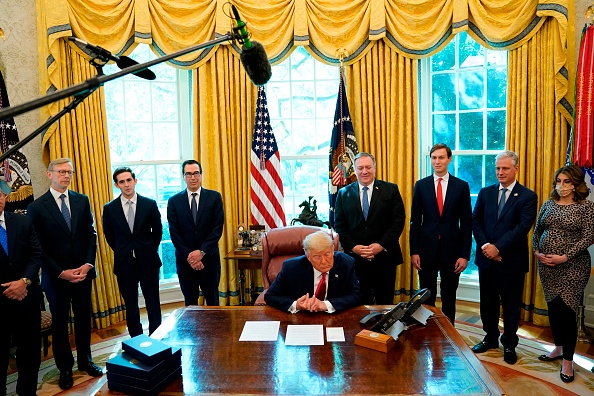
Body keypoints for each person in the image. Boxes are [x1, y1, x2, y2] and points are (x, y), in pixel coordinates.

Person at [27, 158, 103, 390]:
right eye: (61, 172)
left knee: (83, 319)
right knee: (60, 324)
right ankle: (65, 368)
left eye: (69, 172)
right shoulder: (37, 207)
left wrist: (88, 264)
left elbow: (91, 235)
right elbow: (37, 247)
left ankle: (86, 361)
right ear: (50, 175)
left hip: (82, 274)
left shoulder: (82, 200)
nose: (66, 176)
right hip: (56, 277)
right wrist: (61, 272)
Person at [471, 150, 537, 365]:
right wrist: (486, 246)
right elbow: (476, 221)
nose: (500, 172)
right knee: (487, 304)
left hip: (512, 262)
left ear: (516, 169)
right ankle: (490, 338)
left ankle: (509, 343)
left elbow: (522, 228)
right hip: (486, 260)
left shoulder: (528, 196)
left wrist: (497, 248)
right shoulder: (485, 192)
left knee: (510, 305)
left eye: (505, 168)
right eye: (498, 168)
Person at [532, 165, 594, 383]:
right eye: (559, 181)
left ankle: (568, 360)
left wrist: (565, 256)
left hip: (573, 267)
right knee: (554, 309)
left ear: (576, 184)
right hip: (547, 266)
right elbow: (538, 229)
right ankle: (558, 348)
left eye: (567, 182)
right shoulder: (548, 204)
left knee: (567, 312)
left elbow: (589, 237)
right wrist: (537, 252)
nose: (562, 186)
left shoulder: (586, 207)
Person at [409, 143, 472, 325]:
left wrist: (464, 255)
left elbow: (467, 223)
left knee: (449, 296)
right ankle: (428, 330)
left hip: (452, 252)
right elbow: (415, 221)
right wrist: (414, 251)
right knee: (426, 296)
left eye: (441, 157)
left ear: (449, 159)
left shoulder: (461, 186)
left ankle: (449, 332)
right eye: (434, 158)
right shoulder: (421, 186)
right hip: (426, 250)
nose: (437, 161)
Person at [334, 152, 405, 305]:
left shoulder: (391, 190)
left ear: (374, 168)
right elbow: (339, 224)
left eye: (368, 167)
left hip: (384, 256)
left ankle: (383, 330)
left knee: (385, 302)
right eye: (360, 168)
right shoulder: (343, 193)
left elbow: (398, 222)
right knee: (359, 301)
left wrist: (380, 246)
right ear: (354, 169)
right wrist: (354, 247)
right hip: (355, 259)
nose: (364, 171)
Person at [103, 167, 163, 337]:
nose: (126, 184)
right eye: (122, 182)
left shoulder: (149, 204)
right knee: (130, 304)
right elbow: (110, 236)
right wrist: (125, 251)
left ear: (135, 181)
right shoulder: (110, 208)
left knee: (153, 302)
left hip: (148, 261)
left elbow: (157, 232)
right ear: (116, 185)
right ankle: (136, 340)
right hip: (124, 263)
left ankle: (156, 337)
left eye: (129, 180)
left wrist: (146, 249)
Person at [0, 181, 42, 396]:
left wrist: (24, 281)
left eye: (0, 194)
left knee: (30, 351)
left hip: (26, 298)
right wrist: (9, 289)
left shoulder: (23, 221)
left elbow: (36, 254)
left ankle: (27, 392)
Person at [167, 160, 224, 306]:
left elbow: (217, 228)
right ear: (183, 176)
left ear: (201, 175)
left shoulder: (214, 197)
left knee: (213, 303)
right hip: (186, 263)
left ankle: (214, 330)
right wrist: (191, 257)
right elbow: (174, 233)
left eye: (196, 173)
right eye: (189, 174)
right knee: (190, 306)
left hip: (209, 261)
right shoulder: (174, 201)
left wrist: (202, 252)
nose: (193, 177)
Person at [265, 231, 361, 313]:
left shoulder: (345, 263)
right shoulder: (291, 267)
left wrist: (325, 305)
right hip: (301, 319)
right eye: (317, 256)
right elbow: (271, 296)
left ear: (332, 251)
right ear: (308, 257)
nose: (324, 261)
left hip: (334, 318)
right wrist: (296, 305)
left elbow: (356, 295)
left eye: (327, 254)